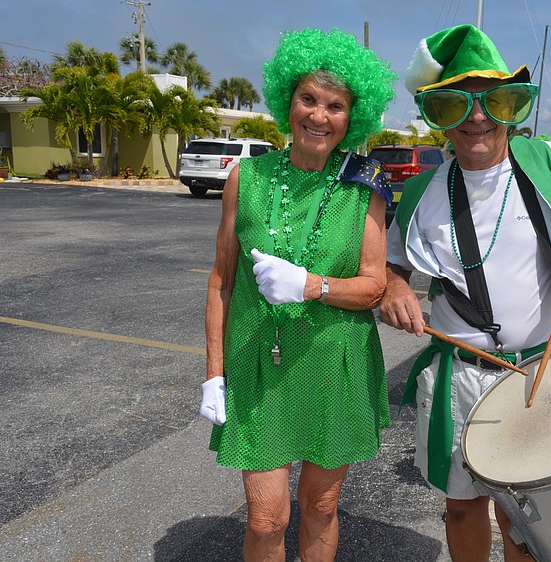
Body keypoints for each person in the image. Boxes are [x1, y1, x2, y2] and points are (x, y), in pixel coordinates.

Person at [379, 25, 551, 562]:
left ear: (513, 107)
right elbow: (391, 261)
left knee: (527, 512)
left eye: (496, 101)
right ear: (438, 115)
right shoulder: (420, 190)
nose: (478, 118)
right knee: (463, 508)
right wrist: (394, 287)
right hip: (461, 375)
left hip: (539, 370)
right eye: (455, 106)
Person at [200, 28, 396, 561]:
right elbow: (221, 280)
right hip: (258, 365)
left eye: (335, 105)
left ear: (351, 117)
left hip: (335, 364)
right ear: (287, 100)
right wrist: (215, 372)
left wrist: (314, 286)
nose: (319, 115)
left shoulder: (366, 184)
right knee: (266, 520)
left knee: (320, 507)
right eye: (308, 98)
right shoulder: (248, 177)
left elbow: (375, 286)